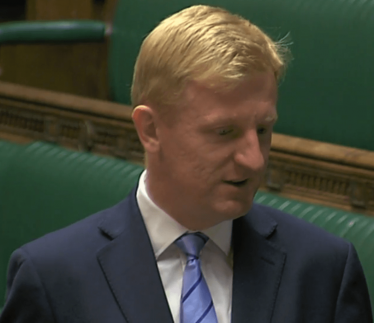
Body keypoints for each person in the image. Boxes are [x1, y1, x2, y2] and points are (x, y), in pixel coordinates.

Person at [0, 5, 372, 323]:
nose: (254, 159)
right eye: (224, 132)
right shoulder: (52, 277)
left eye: (262, 129)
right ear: (151, 130)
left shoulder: (324, 268)